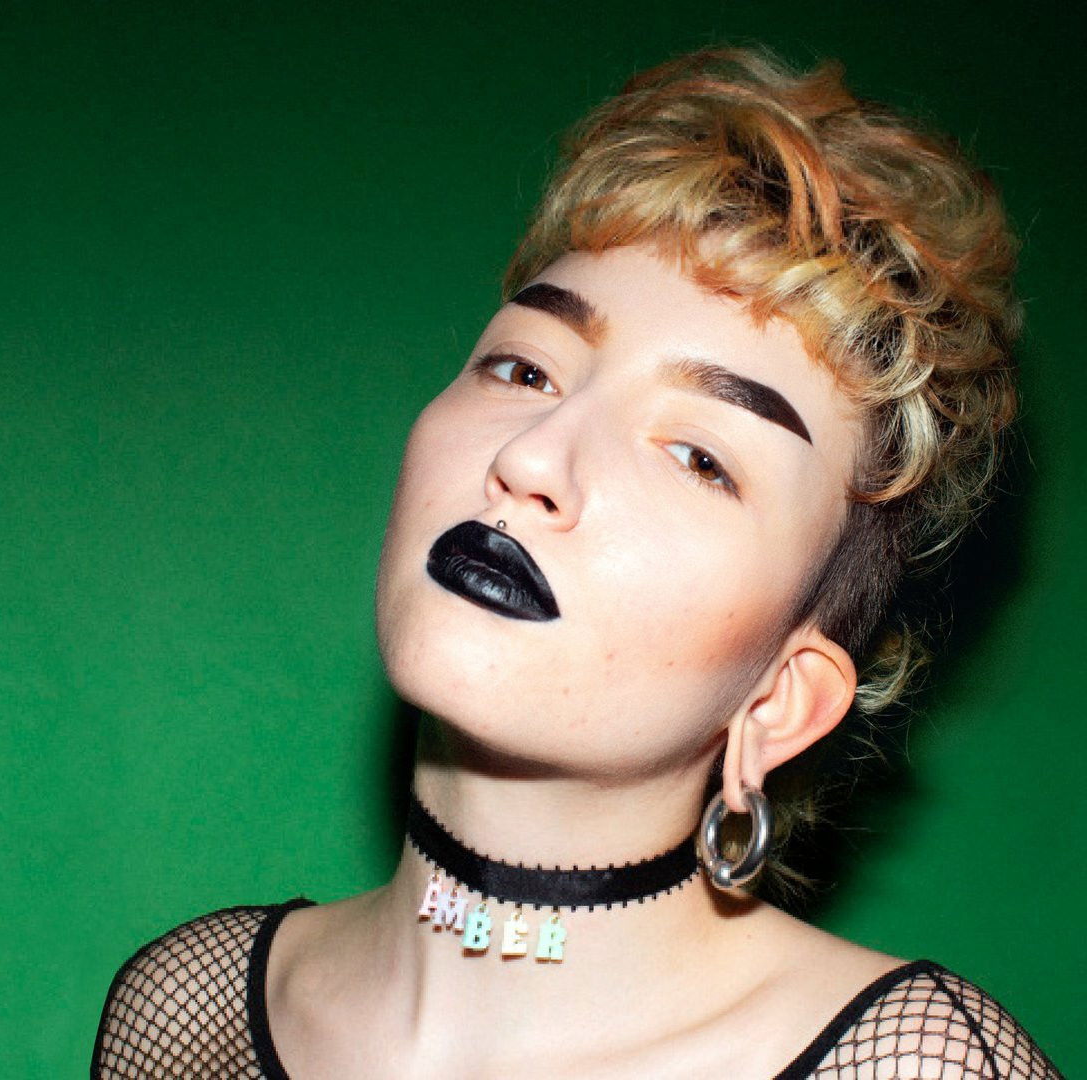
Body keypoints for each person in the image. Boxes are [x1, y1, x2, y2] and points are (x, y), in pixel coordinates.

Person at [90, 46, 1061, 1079]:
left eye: (698, 458)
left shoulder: (913, 1068)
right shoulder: (182, 1015)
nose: (532, 459)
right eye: (525, 369)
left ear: (782, 700)